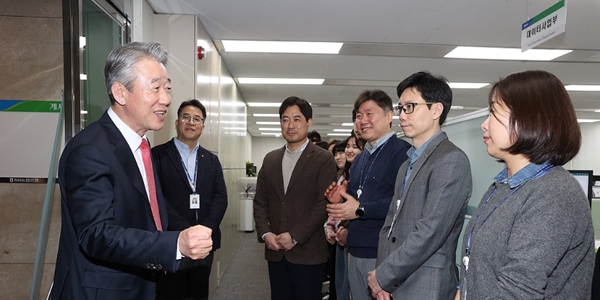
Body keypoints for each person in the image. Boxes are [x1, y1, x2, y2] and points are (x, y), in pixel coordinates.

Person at [51, 42, 213, 300]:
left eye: (168, 88)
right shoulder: (90, 150)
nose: (167, 99)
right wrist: (174, 245)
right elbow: (97, 234)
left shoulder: (141, 145)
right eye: (156, 88)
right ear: (120, 92)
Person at [459, 70, 594, 299]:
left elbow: (517, 290)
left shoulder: (553, 194)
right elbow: (473, 271)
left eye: (493, 112)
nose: (484, 124)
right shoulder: (502, 187)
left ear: (529, 119)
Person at [366, 71, 472, 299]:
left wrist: (384, 275)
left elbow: (429, 232)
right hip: (394, 281)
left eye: (410, 107)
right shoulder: (407, 163)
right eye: (400, 108)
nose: (402, 115)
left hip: (425, 284)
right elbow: (390, 227)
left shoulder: (451, 160)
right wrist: (383, 277)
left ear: (436, 110)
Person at [326, 89, 411, 299]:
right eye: (358, 115)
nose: (363, 120)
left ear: (389, 116)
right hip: (354, 249)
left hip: (381, 254)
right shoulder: (361, 159)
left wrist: (360, 210)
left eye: (369, 114)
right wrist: (341, 204)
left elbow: (402, 203)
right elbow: (355, 202)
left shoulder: (402, 153)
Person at [253, 96, 338, 300]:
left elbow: (323, 204)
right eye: (285, 119)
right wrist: (266, 234)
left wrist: (294, 236)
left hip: (307, 253)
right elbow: (260, 201)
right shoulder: (271, 159)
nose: (290, 125)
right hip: (275, 251)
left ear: (308, 122)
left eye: (297, 119)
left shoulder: (323, 159)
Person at [152, 99, 228, 300]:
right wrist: (187, 230)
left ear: (202, 127)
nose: (191, 122)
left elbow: (221, 197)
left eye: (197, 119)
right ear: (176, 122)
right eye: (186, 117)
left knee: (198, 292)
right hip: (172, 239)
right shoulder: (157, 155)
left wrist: (206, 229)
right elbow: (156, 198)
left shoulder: (211, 160)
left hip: (205, 241)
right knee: (169, 292)